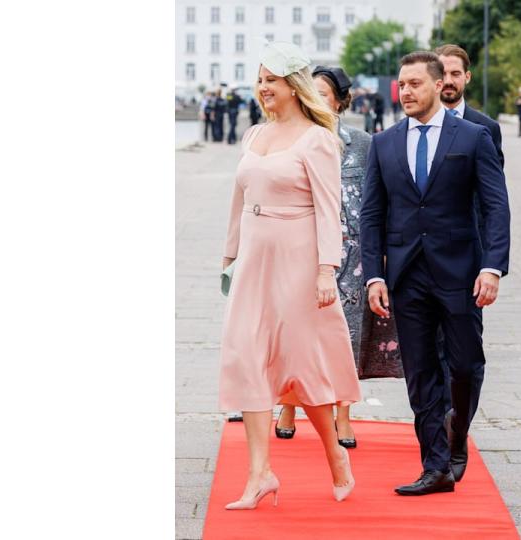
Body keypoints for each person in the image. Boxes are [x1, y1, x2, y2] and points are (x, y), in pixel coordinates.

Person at [360, 51, 510, 496]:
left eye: (414, 84)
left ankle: (456, 434)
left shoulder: (473, 136)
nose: (405, 92)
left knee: (464, 365)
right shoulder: (384, 143)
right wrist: (374, 275)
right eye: (401, 85)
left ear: (437, 83)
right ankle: (436, 465)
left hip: (461, 273)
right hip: (406, 277)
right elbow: (372, 214)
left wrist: (492, 267)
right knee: (421, 372)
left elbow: (496, 205)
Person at [219, 41, 359, 510]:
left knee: (299, 366)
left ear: (294, 87)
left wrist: (326, 270)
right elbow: (240, 200)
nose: (262, 89)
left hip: (297, 260)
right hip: (254, 259)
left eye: (271, 81)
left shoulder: (317, 140)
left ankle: (334, 453)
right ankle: (259, 473)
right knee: (246, 356)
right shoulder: (253, 135)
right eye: (259, 80)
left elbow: (329, 210)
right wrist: (229, 255)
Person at [275, 65, 403, 449]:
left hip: (353, 256)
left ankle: (343, 415)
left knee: (344, 335)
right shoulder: (291, 140)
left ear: (341, 101)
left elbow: (378, 200)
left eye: (324, 94)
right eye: (308, 92)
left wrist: (381, 253)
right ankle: (288, 403)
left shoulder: (364, 143)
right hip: (302, 249)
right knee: (296, 331)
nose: (315, 100)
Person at [433, 43, 507, 418]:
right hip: (422, 258)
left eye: (455, 74)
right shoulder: (412, 126)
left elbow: (494, 200)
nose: (448, 81)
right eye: (442, 74)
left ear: (467, 77)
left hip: (467, 260)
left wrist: (491, 263)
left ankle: (456, 424)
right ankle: (436, 432)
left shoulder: (485, 128)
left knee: (463, 353)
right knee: (429, 352)